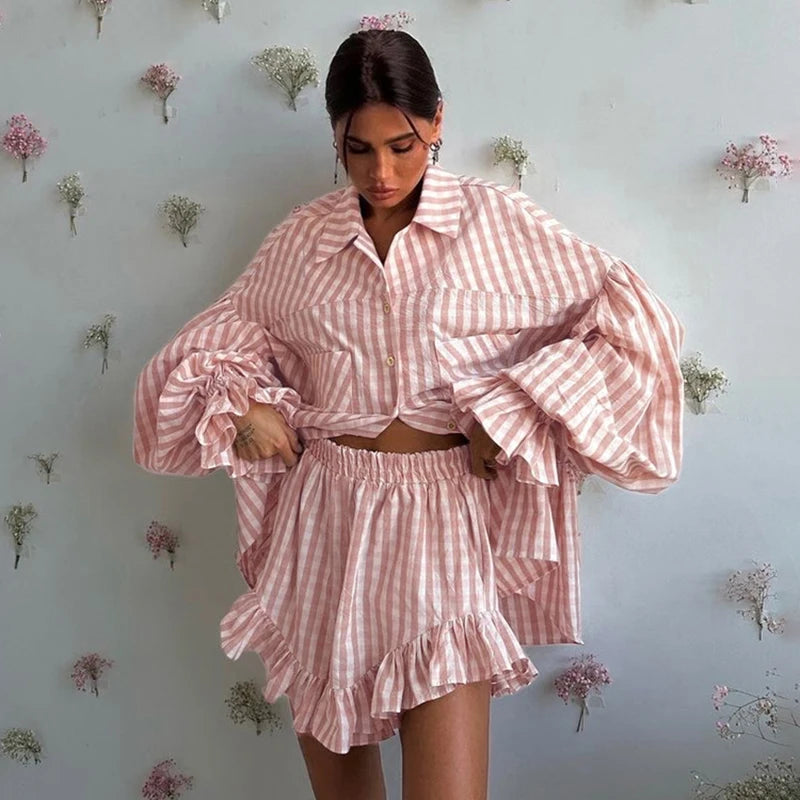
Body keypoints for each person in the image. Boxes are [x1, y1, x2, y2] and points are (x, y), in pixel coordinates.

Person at [132, 28, 685, 800]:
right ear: (335, 136)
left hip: (441, 518)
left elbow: (633, 326)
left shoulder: (496, 225)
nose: (382, 172)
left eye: (404, 144)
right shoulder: (302, 241)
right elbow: (206, 345)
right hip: (323, 517)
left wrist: (515, 407)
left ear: (438, 123)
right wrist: (248, 403)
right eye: (358, 150)